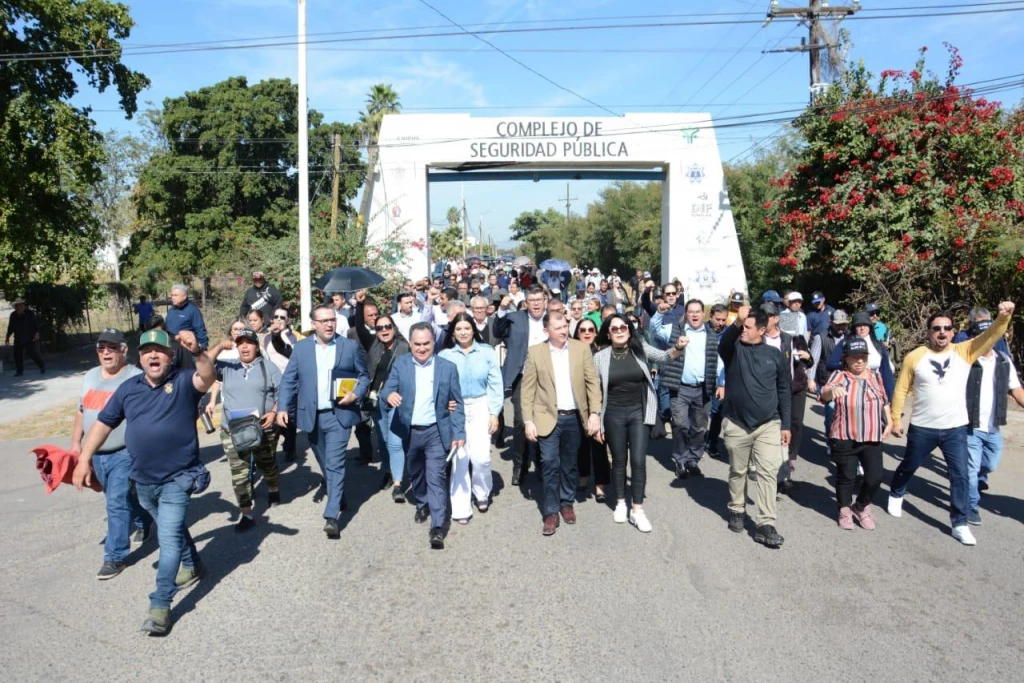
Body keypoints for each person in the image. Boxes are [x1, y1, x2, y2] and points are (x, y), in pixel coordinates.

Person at [72, 328, 215, 636]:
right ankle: (195, 566)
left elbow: (207, 376)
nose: (153, 355)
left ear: (170, 356)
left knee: (168, 540)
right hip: (143, 482)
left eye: (160, 350)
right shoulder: (128, 389)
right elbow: (103, 424)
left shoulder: (182, 383)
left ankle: (160, 605)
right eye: (148, 350)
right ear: (140, 356)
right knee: (172, 527)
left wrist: (199, 351)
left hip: (178, 478)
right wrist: (84, 458)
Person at [888, 301, 1014, 545]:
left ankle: (960, 522)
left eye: (947, 328)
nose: (942, 332)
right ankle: (897, 491)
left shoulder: (965, 351)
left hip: (955, 429)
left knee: (961, 476)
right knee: (909, 465)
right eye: (936, 328)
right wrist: (895, 419)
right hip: (923, 427)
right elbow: (901, 389)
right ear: (928, 332)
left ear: (954, 332)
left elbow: (992, 335)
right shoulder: (915, 357)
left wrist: (1003, 317)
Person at [276, 304, 369, 540]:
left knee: (335, 463)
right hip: (312, 416)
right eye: (324, 320)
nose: (329, 324)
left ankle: (331, 516)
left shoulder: (348, 346)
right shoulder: (301, 348)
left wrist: (356, 394)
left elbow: (363, 376)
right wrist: (283, 407)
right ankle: (339, 495)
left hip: (340, 414)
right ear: (314, 324)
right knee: (325, 461)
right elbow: (289, 380)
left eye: (332, 320)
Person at [70, 329, 151, 579]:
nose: (106, 352)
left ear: (123, 351)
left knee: (115, 501)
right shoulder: (90, 376)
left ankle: (115, 556)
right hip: (95, 453)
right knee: (121, 498)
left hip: (124, 452)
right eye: (101, 347)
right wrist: (76, 443)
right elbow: (82, 412)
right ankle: (143, 519)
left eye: (112, 347)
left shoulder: (136, 378)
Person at [593, 314, 685, 532]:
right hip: (613, 414)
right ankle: (620, 504)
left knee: (638, 460)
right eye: (614, 329)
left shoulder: (640, 348)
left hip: (638, 413)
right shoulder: (600, 357)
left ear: (629, 329)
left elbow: (665, 357)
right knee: (618, 461)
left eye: (622, 327)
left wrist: (679, 347)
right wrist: (596, 417)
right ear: (608, 333)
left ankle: (637, 510)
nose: (619, 331)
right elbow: (595, 390)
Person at [382, 323, 466, 550]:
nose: (421, 348)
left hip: (436, 432)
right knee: (416, 472)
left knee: (436, 477)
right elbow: (386, 389)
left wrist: (459, 432)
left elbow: (456, 403)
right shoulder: (401, 364)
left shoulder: (447, 368)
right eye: (417, 344)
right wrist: (390, 395)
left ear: (433, 343)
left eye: (426, 344)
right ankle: (422, 502)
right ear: (410, 344)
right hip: (410, 431)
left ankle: (437, 526)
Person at [521, 311, 603, 537]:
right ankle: (550, 511)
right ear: (546, 331)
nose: (564, 330)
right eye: (558, 328)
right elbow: (527, 390)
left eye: (565, 326)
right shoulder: (536, 352)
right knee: (549, 463)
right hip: (547, 417)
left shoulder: (580, 349)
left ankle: (566, 502)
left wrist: (595, 413)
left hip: (575, 417)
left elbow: (592, 384)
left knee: (569, 464)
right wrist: (528, 420)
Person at [718, 305, 791, 549]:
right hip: (737, 423)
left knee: (768, 472)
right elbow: (722, 344)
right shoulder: (734, 348)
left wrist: (786, 424)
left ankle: (765, 524)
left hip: (768, 424)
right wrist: (737, 322)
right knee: (738, 471)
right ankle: (737, 509)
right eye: (743, 326)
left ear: (762, 330)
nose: (743, 331)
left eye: (748, 327)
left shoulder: (775, 354)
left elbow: (783, 390)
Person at [206, 328, 282, 532]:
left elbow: (283, 393)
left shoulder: (268, 367)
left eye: (249, 342)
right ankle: (247, 514)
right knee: (239, 475)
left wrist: (274, 413)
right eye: (240, 343)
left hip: (262, 429)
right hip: (233, 431)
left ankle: (273, 487)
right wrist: (221, 346)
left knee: (267, 466)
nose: (245, 346)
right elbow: (203, 363)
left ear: (257, 346)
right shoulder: (227, 367)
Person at [819, 336, 892, 530]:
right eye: (854, 357)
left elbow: (884, 401)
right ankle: (844, 509)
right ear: (846, 359)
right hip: (844, 434)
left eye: (863, 357)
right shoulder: (839, 376)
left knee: (874, 477)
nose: (859, 361)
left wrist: (890, 421)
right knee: (847, 476)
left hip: (871, 434)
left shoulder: (876, 377)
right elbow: (824, 394)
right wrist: (831, 392)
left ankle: (860, 506)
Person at [439, 313, 503, 522]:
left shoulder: (486, 352)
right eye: (458, 329)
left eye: (466, 328)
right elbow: (439, 385)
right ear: (453, 333)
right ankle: (461, 508)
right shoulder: (445, 356)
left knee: (481, 458)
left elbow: (495, 383)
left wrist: (494, 412)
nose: (463, 332)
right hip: (456, 409)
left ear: (473, 330)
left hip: (481, 404)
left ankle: (482, 492)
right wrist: (445, 402)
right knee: (459, 458)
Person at [650, 298, 722, 479]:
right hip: (680, 388)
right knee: (681, 424)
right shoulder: (675, 330)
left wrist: (721, 383)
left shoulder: (711, 335)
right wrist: (660, 312)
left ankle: (693, 459)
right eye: (691, 312)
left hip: (703, 389)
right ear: (686, 314)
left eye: (698, 311)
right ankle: (681, 459)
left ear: (703, 314)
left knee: (699, 428)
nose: (695, 315)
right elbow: (654, 329)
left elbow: (718, 362)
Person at [963, 313, 1024, 523]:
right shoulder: (966, 359)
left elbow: (1016, 389)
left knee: (990, 464)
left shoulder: (1003, 360)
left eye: (991, 336)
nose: (988, 340)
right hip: (971, 425)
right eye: (983, 335)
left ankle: (968, 481)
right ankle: (970, 505)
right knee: (971, 468)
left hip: (994, 426)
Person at [494, 285, 549, 488]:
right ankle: (520, 465)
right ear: (526, 301)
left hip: (546, 378)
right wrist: (501, 310)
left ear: (545, 300)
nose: (535, 303)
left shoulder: (552, 318)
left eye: (539, 299)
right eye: (531, 299)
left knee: (544, 420)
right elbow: (498, 331)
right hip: (521, 376)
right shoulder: (516, 318)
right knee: (519, 421)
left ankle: (543, 465)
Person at [762, 302, 813, 494]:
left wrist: (806, 357)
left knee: (791, 425)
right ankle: (770, 470)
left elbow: (810, 361)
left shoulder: (792, 339)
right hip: (769, 390)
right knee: (772, 428)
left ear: (776, 318)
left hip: (792, 388)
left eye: (768, 316)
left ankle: (785, 468)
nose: (765, 320)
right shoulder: (758, 338)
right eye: (762, 316)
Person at [361, 310, 410, 501]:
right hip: (376, 400)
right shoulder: (375, 346)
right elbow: (358, 327)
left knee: (394, 441)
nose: (384, 330)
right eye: (379, 328)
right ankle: (389, 471)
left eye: (387, 326)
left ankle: (398, 484)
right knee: (383, 440)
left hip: (397, 400)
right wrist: (360, 305)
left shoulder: (404, 347)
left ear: (394, 328)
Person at [572, 318, 607, 501]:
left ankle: (600, 485)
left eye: (590, 330)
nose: (587, 333)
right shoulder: (570, 352)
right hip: (577, 404)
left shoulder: (602, 353)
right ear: (577, 333)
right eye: (583, 330)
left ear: (595, 332)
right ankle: (583, 477)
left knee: (599, 444)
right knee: (581, 445)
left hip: (599, 403)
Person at [825, 312, 896, 401]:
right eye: (859, 325)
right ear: (854, 328)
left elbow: (886, 372)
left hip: (874, 388)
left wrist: (890, 397)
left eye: (865, 325)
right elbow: (830, 364)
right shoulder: (845, 343)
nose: (862, 328)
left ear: (870, 327)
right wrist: (848, 366)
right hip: (849, 388)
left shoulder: (877, 344)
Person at [5, 297, 44, 375]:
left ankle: (42, 366)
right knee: (17, 355)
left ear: (23, 305)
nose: (19, 307)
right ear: (15, 307)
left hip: (29, 337)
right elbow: (10, 327)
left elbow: (36, 324)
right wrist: (7, 337)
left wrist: (37, 333)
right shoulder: (13, 315)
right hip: (18, 338)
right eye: (17, 306)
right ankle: (19, 372)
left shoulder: (29, 313)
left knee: (32, 354)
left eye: (21, 305)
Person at [164, 284, 209, 350]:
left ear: (184, 296)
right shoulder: (171, 310)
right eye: (172, 295)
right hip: (171, 346)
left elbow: (200, 329)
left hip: (186, 347)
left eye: (176, 295)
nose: (173, 298)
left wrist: (203, 346)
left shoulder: (193, 310)